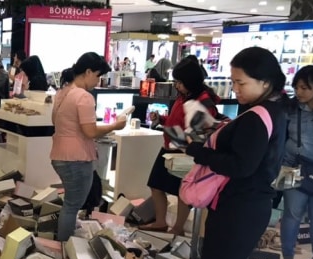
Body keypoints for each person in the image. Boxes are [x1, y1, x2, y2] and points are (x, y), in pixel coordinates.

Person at [186, 47, 288, 259]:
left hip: (238, 209)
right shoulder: (273, 111)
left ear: (265, 82)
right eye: (234, 82)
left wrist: (200, 153)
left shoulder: (257, 117)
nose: (236, 89)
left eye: (242, 83)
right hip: (247, 207)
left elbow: (241, 166)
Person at [50, 53, 126, 242]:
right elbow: (90, 132)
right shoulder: (84, 97)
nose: (98, 81)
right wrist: (115, 126)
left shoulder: (62, 93)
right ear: (88, 71)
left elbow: (57, 122)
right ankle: (65, 247)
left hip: (59, 154)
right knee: (72, 205)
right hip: (77, 157)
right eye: (98, 76)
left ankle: (65, 243)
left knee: (70, 203)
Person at [140, 58, 220, 235]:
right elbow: (176, 120)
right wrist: (161, 120)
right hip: (169, 148)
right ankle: (161, 222)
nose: (176, 86)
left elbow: (200, 134)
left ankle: (178, 228)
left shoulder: (204, 101)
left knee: (183, 192)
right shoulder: (184, 96)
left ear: (189, 81)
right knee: (155, 184)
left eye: (179, 82)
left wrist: (181, 137)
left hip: (186, 153)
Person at [280, 65, 313, 259]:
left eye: (305, 87)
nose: (299, 92)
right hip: (293, 167)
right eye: (297, 87)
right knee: (291, 214)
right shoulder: (290, 108)